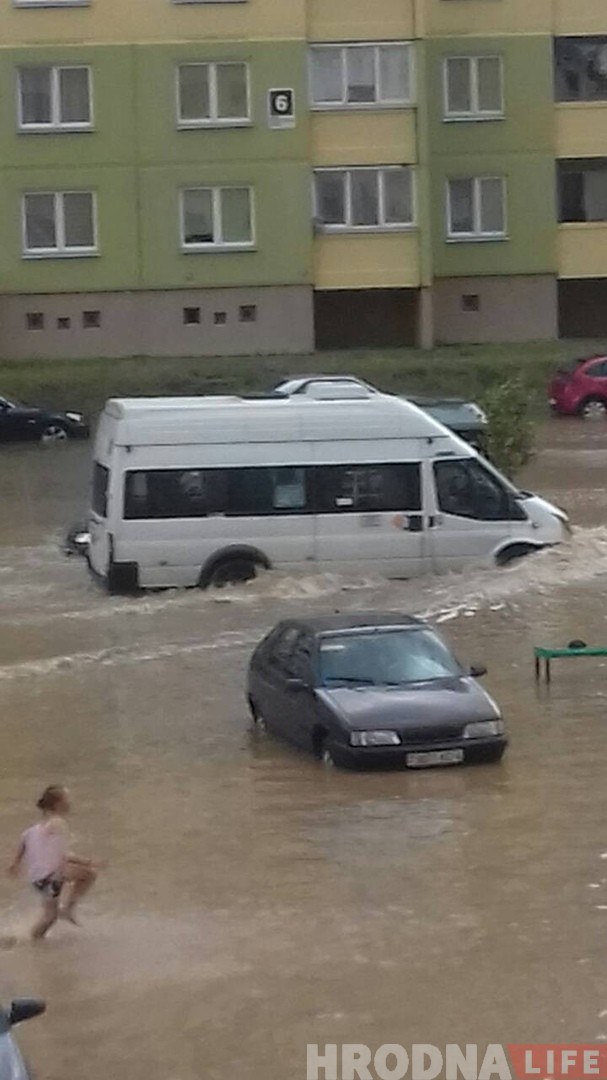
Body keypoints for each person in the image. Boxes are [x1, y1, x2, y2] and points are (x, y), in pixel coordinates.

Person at [7, 785, 98, 940]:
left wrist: (15, 864)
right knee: (89, 874)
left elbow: (23, 844)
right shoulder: (58, 823)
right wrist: (88, 862)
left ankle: (29, 941)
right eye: (67, 799)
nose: (70, 803)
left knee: (49, 916)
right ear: (58, 804)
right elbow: (62, 854)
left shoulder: (33, 829)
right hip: (51, 876)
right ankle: (68, 908)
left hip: (37, 879)